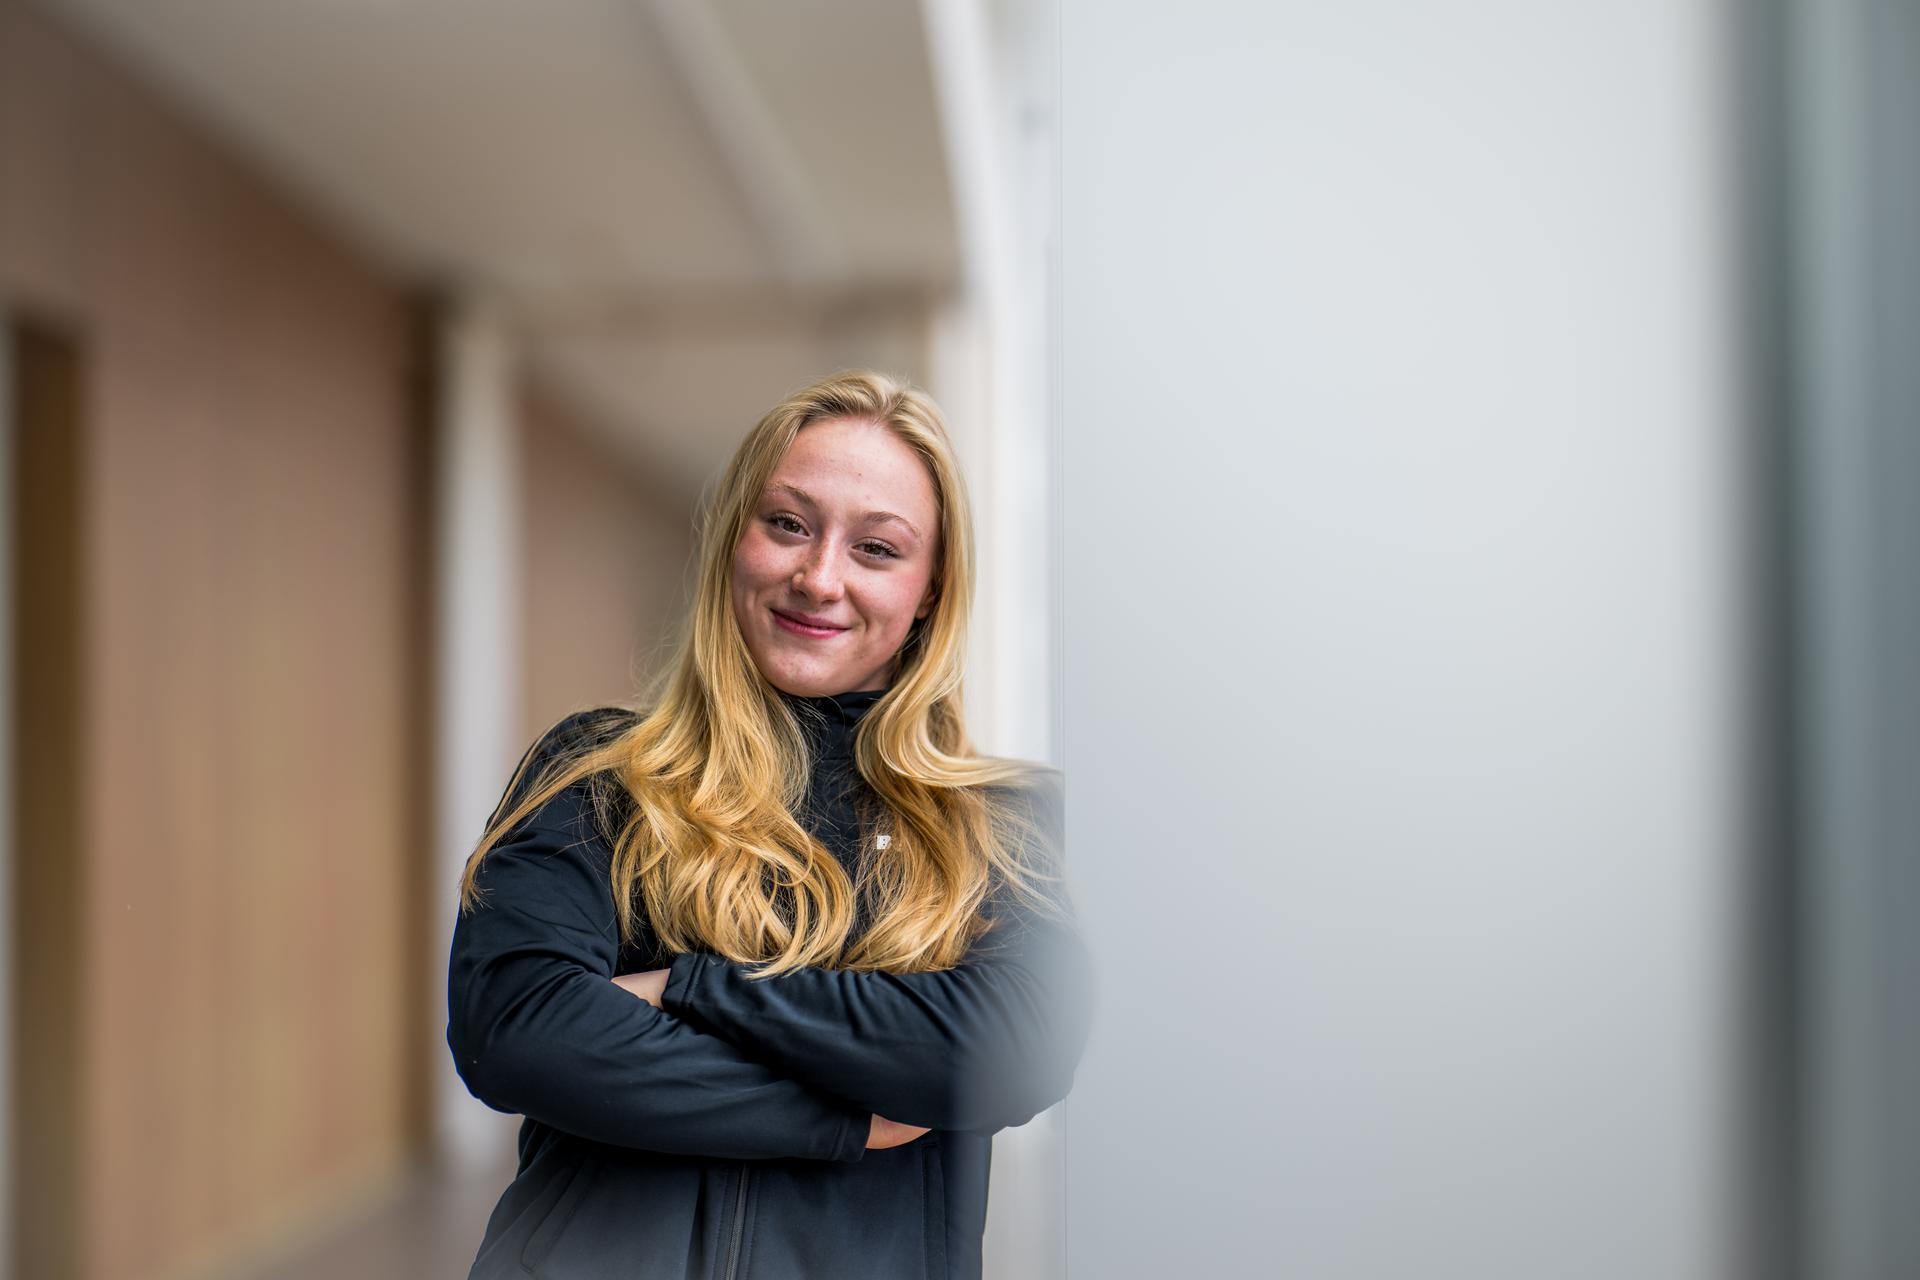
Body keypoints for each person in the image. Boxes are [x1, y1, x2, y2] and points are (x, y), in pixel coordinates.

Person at [445, 369, 1094, 1280]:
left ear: (930, 592)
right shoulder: (602, 774)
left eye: (877, 549)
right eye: (787, 523)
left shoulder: (1005, 824)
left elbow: (1011, 1048)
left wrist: (687, 989)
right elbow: (515, 1029)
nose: (818, 577)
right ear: (733, 541)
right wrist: (846, 1119)